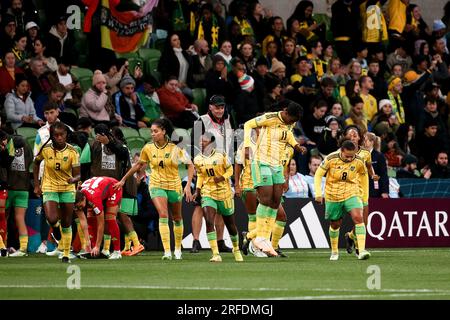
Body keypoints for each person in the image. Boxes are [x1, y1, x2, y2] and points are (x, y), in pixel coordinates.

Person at [113, 118, 194, 260]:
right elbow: (138, 165)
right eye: (151, 131)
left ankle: (178, 249)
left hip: (174, 185)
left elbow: (190, 165)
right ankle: (167, 252)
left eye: (155, 131)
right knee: (163, 214)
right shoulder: (148, 148)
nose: (152, 134)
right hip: (156, 184)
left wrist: (187, 186)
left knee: (177, 218)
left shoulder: (176, 148)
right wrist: (123, 179)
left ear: (164, 131)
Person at [243, 101, 307, 256]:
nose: (292, 122)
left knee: (275, 201)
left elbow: (288, 135)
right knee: (265, 199)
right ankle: (261, 239)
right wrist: (246, 146)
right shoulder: (270, 117)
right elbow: (248, 124)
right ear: (285, 112)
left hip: (277, 165)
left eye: (294, 121)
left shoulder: (289, 124)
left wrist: (296, 145)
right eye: (291, 119)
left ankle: (258, 237)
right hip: (262, 162)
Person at [314, 140, 370, 261]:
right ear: (341, 151)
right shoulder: (331, 158)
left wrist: (364, 197)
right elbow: (318, 174)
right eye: (347, 156)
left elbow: (364, 176)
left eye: (352, 156)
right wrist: (318, 193)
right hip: (333, 195)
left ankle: (361, 250)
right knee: (335, 224)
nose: (350, 159)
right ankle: (334, 251)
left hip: (351, 193)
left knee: (358, 218)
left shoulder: (359, 160)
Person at [33, 122, 81, 263]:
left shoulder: (73, 151)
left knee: (67, 221)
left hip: (67, 188)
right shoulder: (45, 149)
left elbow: (78, 174)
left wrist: (74, 179)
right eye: (56, 135)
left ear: (66, 135)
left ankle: (66, 253)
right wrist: (37, 184)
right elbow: (36, 163)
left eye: (62, 135)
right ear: (52, 136)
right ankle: (56, 229)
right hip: (50, 186)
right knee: (52, 218)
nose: (59, 138)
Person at [193, 132, 243, 262]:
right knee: (209, 221)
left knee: (230, 224)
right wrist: (197, 190)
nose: (201, 142)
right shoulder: (197, 159)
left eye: (204, 140)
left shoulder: (221, 155)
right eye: (200, 140)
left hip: (224, 193)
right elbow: (200, 175)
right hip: (208, 192)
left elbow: (230, 170)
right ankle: (215, 254)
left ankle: (236, 249)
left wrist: (222, 177)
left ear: (211, 142)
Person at [342, 125, 379, 255]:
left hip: (364, 189)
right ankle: (359, 249)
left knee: (364, 222)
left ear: (359, 138)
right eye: (350, 135)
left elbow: (369, 166)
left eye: (355, 135)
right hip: (351, 189)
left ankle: (351, 236)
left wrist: (373, 175)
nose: (352, 137)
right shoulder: (342, 153)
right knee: (359, 221)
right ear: (345, 138)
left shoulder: (365, 153)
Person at [75, 176, 123, 259]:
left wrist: (97, 246)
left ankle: (117, 251)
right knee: (90, 219)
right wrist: (87, 242)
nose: (80, 208)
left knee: (110, 218)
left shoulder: (93, 199)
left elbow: (101, 224)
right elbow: (83, 221)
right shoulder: (75, 198)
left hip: (113, 187)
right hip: (99, 189)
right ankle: (92, 250)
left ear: (84, 199)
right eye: (78, 207)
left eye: (80, 206)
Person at [365, 132, 389, 198]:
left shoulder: (379, 156)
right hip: (361, 190)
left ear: (372, 142)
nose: (364, 142)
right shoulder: (359, 155)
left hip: (374, 191)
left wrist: (385, 191)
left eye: (366, 140)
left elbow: (383, 174)